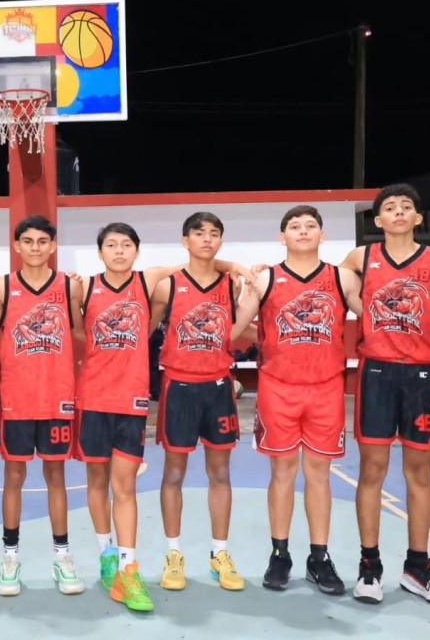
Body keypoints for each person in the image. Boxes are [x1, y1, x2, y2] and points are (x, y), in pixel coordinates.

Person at [230, 205, 362, 596]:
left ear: (322, 235)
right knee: (282, 473)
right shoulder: (266, 278)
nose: (302, 231)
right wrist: (241, 291)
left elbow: (375, 318)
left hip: (325, 388)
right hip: (278, 388)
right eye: (294, 226)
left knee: (319, 475)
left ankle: (318, 558)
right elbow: (237, 328)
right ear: (281, 236)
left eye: (310, 226)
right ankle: (280, 553)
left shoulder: (342, 277)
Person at [342, 183, 430, 608]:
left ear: (418, 218)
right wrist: (361, 304)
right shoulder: (363, 258)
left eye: (405, 206)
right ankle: (369, 566)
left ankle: (416, 568)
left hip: (424, 377)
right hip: (376, 373)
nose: (397, 212)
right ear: (377, 221)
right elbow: (335, 283)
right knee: (371, 470)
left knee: (419, 474)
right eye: (389, 207)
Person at [75, 222, 193, 613]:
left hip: (130, 399)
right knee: (96, 480)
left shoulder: (147, 281)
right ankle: (105, 551)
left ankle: (128, 568)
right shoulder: (84, 287)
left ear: (137, 251)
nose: (119, 251)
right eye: (111, 245)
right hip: (92, 396)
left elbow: (197, 262)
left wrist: (242, 270)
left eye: (126, 245)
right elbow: (76, 333)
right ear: (100, 252)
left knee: (123, 485)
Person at [0, 215, 85, 597]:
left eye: (43, 241)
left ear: (53, 245)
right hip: (16, 399)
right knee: (13, 477)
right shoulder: (1, 286)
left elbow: (80, 331)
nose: (35, 248)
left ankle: (62, 556)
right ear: (16, 246)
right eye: (27, 241)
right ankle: (10, 557)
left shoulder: (70, 287)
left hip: (56, 396)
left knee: (56, 477)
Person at [149, 212, 247, 593]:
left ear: (220, 241)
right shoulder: (166, 286)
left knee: (220, 473)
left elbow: (242, 327)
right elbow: (142, 331)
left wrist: (234, 268)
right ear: (184, 240)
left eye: (214, 234)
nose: (207, 239)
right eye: (199, 233)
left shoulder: (232, 286)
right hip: (179, 386)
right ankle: (173, 554)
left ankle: (219, 554)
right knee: (173, 473)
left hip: (219, 387)